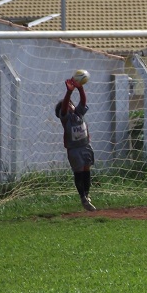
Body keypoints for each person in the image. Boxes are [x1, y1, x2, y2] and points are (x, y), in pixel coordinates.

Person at [55, 77, 96, 212]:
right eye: (67, 106)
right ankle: (82, 196)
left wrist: (80, 87)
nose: (70, 105)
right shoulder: (65, 118)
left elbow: (83, 101)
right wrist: (68, 92)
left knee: (86, 170)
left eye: (71, 104)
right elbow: (65, 106)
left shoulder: (78, 114)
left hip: (85, 146)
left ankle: (87, 196)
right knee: (78, 172)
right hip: (74, 150)